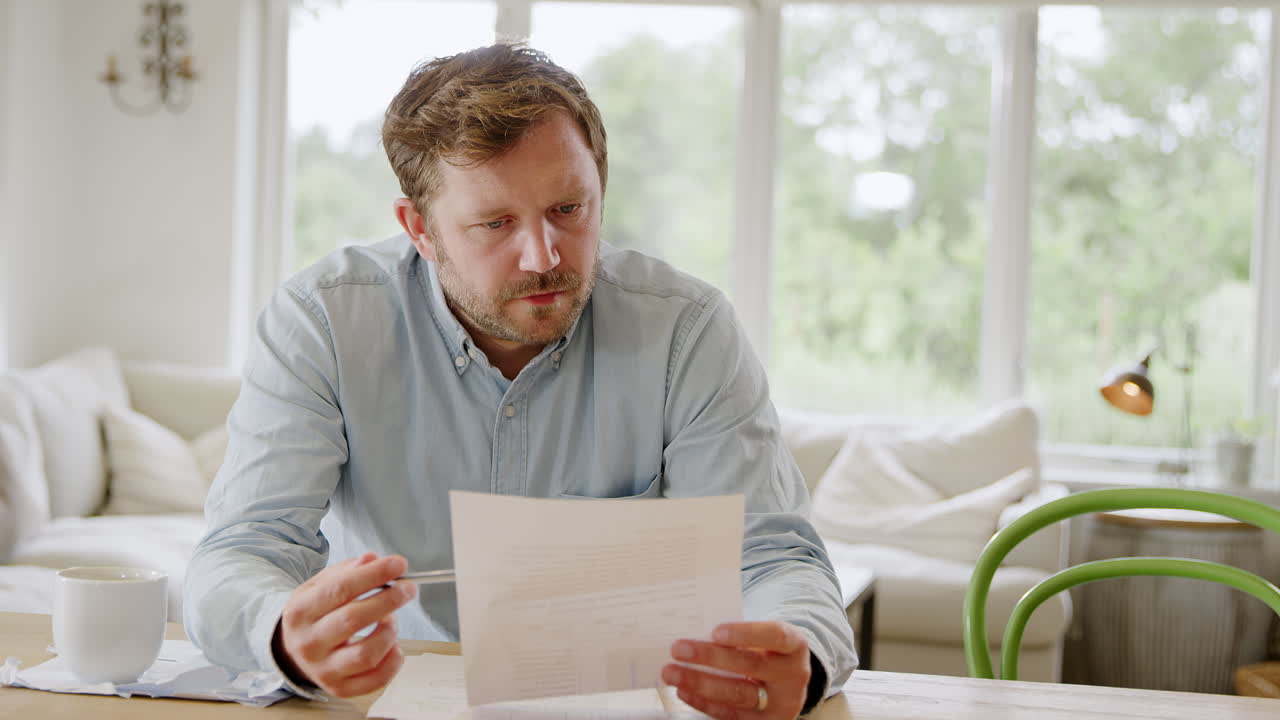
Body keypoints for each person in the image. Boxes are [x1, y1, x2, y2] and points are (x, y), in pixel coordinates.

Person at [184, 43, 855, 719]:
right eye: (495, 223)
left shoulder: (688, 330)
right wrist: (281, 632)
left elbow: (772, 558)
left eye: (569, 209)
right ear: (419, 228)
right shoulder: (323, 321)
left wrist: (796, 656)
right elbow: (241, 552)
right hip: (389, 702)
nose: (544, 258)